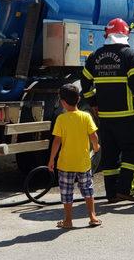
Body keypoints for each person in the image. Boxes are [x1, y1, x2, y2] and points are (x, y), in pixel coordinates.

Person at [80, 18, 134, 203]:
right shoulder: (130, 55)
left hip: (105, 117)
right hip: (127, 116)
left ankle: (111, 194)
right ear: (126, 34)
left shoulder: (95, 56)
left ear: (107, 34)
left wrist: (93, 102)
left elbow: (85, 82)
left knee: (109, 155)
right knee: (132, 152)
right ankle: (126, 190)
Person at [47, 84, 102, 229]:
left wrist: (51, 159)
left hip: (65, 164)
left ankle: (68, 220)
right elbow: (94, 136)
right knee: (88, 190)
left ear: (62, 102)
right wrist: (96, 147)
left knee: (66, 193)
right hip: (83, 163)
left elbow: (56, 142)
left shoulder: (61, 119)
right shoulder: (86, 116)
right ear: (78, 99)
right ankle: (93, 217)